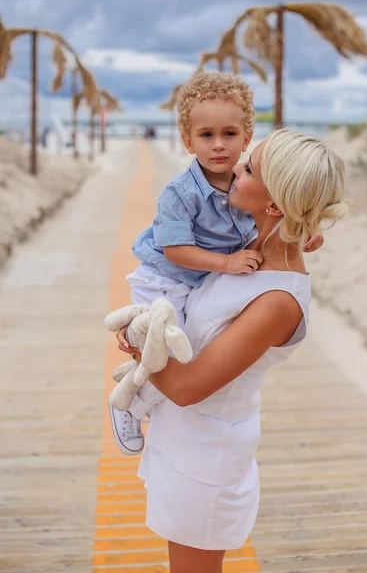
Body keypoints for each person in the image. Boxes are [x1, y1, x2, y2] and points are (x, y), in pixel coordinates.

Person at [116, 128, 351, 573]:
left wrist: (136, 341)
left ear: (275, 204)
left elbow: (186, 387)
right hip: (183, 443)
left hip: (207, 458)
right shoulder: (249, 247)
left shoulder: (278, 301)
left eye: (248, 168)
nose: (233, 166)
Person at [108, 73, 323, 456]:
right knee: (170, 349)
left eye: (230, 134)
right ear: (187, 140)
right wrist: (226, 262)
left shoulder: (243, 189)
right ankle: (125, 403)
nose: (220, 146)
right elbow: (174, 250)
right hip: (164, 277)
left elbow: (279, 215)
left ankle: (131, 401)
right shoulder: (181, 192)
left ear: (246, 136)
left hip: (199, 279)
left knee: (182, 349)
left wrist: (307, 231)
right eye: (206, 136)